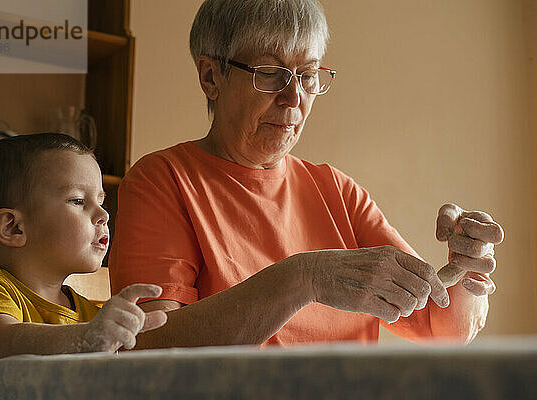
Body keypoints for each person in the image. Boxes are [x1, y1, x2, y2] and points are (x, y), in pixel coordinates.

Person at [109, 0, 504, 348]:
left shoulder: (339, 191)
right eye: (269, 72)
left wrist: (467, 263)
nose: (293, 97)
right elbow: (152, 348)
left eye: (308, 74)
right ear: (211, 77)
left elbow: (441, 329)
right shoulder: (161, 180)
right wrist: (303, 278)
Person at [0, 133, 167, 400]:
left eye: (101, 202)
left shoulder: (90, 315)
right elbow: (3, 347)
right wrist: (86, 339)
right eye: (78, 201)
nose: (104, 215)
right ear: (13, 227)